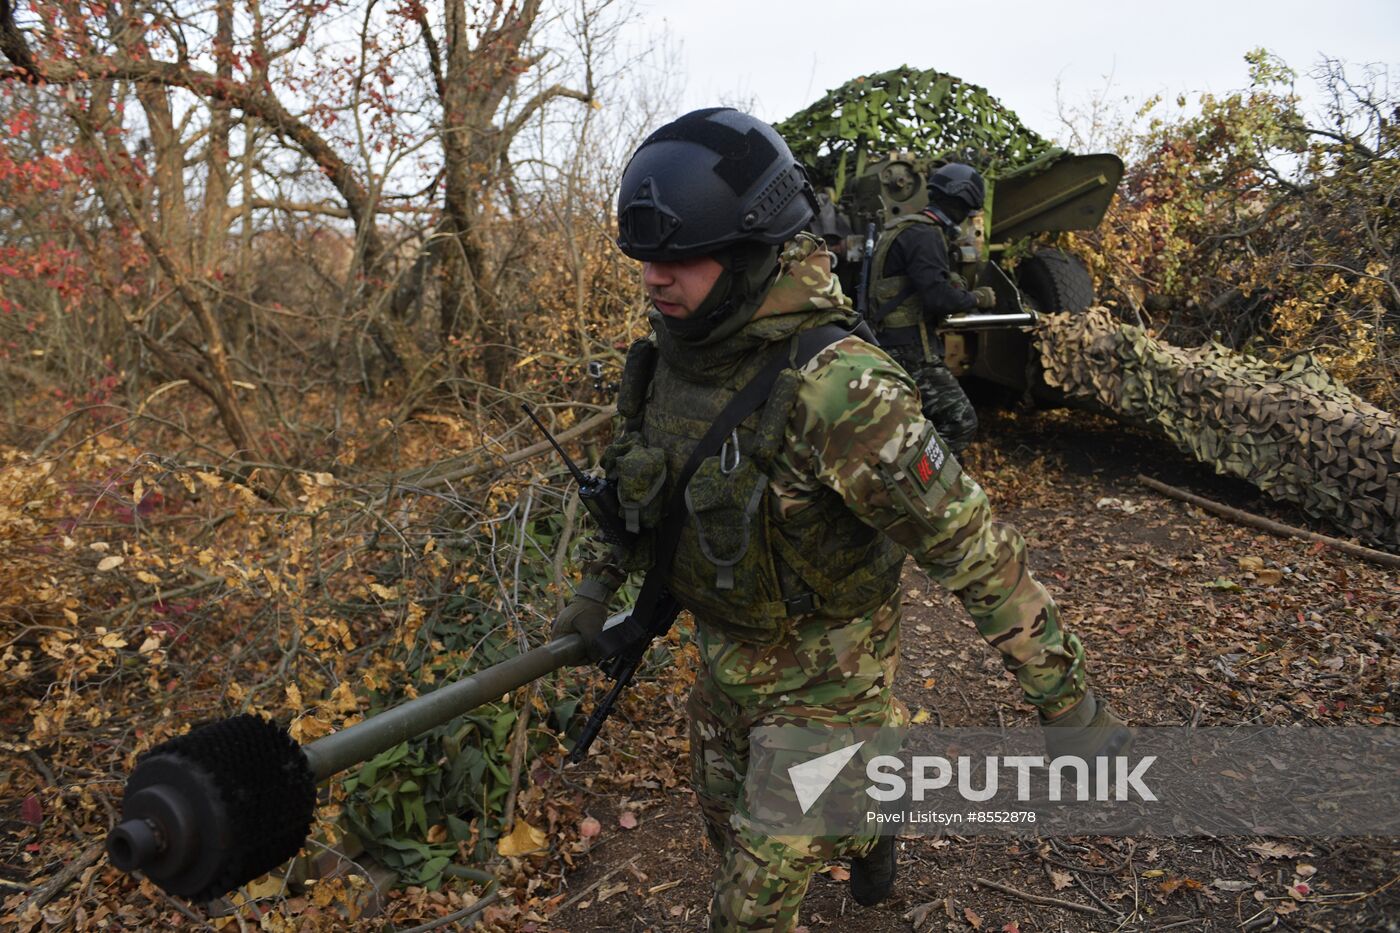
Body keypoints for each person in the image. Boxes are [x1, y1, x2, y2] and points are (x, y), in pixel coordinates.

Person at [553, 108, 1127, 932]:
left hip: (832, 680)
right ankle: (870, 820)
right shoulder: (667, 358)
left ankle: (860, 786)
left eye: (679, 258)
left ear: (753, 252)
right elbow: (635, 488)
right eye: (645, 258)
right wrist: (594, 588)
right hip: (726, 658)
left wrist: (1071, 709)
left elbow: (974, 549)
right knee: (722, 822)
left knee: (747, 906)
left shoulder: (840, 389)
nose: (652, 277)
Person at [866, 163, 996, 455]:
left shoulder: (903, 228)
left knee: (913, 423)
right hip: (911, 349)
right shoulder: (926, 235)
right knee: (960, 420)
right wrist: (977, 298)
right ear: (960, 202)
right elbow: (938, 299)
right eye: (967, 211)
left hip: (890, 343)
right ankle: (922, 482)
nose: (966, 220)